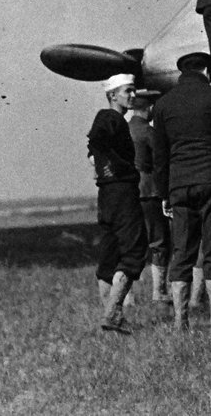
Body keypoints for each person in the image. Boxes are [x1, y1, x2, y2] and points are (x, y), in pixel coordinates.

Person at [152, 51, 211, 329]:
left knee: (182, 251)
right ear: (207, 71)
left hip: (179, 184)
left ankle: (181, 321)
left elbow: (160, 155)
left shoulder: (163, 104)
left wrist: (164, 194)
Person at [87, 73, 148, 334]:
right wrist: (114, 165)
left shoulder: (111, 120)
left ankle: (112, 316)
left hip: (107, 194)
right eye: (128, 91)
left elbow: (93, 149)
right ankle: (113, 314)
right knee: (134, 251)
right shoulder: (110, 117)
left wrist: (101, 164)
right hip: (122, 193)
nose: (133, 96)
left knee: (109, 256)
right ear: (113, 95)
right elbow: (97, 139)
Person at [129, 88, 171, 306]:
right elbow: (161, 163)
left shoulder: (125, 129)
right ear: (150, 107)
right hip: (149, 191)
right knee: (159, 241)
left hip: (129, 192)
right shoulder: (149, 132)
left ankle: (127, 295)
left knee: (131, 243)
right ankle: (159, 291)